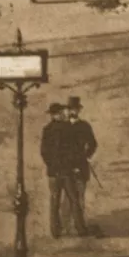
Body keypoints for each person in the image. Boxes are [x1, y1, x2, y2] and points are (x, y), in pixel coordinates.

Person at [40, 102, 78, 238]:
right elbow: (45, 152)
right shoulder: (65, 128)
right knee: (72, 199)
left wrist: (52, 166)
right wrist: (68, 164)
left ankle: (57, 231)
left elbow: (44, 152)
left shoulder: (49, 129)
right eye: (60, 112)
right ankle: (75, 228)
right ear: (55, 114)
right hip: (63, 171)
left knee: (58, 201)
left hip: (56, 172)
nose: (62, 114)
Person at [63, 96, 98, 235]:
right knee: (67, 199)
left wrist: (86, 156)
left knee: (80, 196)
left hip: (81, 167)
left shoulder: (85, 126)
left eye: (75, 109)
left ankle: (79, 226)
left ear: (79, 110)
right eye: (70, 109)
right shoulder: (63, 126)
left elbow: (93, 144)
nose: (73, 111)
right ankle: (67, 227)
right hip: (65, 168)